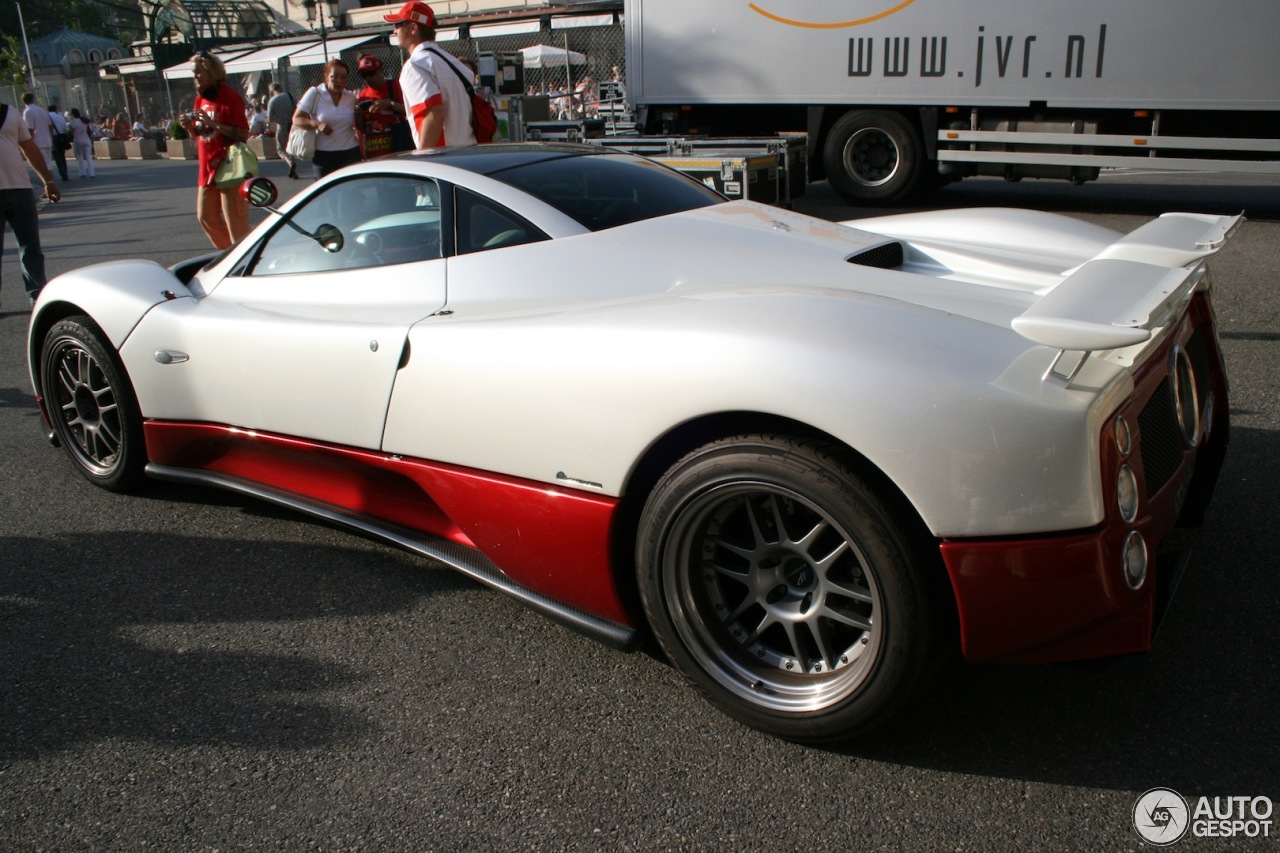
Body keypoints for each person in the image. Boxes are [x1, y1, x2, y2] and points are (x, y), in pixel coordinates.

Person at [178, 51, 250, 250]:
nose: (195, 78)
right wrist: (189, 127)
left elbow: (243, 134)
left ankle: (244, 256)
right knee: (205, 217)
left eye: (199, 73)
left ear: (212, 73)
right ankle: (231, 255)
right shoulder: (199, 99)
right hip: (207, 168)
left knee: (236, 223)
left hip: (229, 167)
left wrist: (214, 123)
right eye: (194, 73)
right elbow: (202, 136)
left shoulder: (230, 98)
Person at [384, 1, 476, 149]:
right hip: (469, 152)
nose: (395, 31)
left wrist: (423, 157)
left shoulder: (415, 65)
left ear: (413, 28)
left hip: (443, 158)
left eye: (398, 25)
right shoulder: (455, 63)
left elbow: (434, 114)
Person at [1, 100, 61, 307]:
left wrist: (48, 180)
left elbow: (29, 149)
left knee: (31, 248)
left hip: (20, 189)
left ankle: (37, 296)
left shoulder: (10, 112)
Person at [293, 59, 361, 179]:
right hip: (324, 154)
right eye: (334, 77)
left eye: (343, 77)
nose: (339, 81)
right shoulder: (315, 93)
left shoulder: (350, 97)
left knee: (352, 193)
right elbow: (296, 119)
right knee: (327, 194)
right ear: (326, 76)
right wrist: (317, 124)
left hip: (350, 153)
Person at [354, 55, 405, 159]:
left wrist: (389, 103)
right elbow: (362, 129)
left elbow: (409, 110)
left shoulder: (394, 85)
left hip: (397, 149)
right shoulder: (363, 95)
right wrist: (358, 116)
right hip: (373, 152)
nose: (368, 78)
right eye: (364, 75)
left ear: (380, 70)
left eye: (371, 73)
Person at [21, 94, 55, 194]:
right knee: (48, 164)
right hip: (47, 140)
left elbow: (30, 129)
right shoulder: (42, 110)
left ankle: (49, 186)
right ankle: (51, 184)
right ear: (33, 99)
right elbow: (50, 126)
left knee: (42, 165)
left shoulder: (27, 112)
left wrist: (28, 143)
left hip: (37, 142)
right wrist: (51, 139)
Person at [266, 83, 297, 179]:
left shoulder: (272, 101)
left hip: (282, 126)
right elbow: (298, 108)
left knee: (280, 149)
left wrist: (279, 118)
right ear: (281, 88)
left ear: (272, 91)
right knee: (292, 147)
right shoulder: (290, 95)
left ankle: (290, 162)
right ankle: (294, 170)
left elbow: (270, 118)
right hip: (293, 125)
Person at [68, 109, 95, 178]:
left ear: (73, 115)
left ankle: (82, 173)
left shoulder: (72, 122)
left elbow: (71, 132)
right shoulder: (84, 120)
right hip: (86, 139)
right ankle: (92, 173)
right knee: (89, 157)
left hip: (78, 140)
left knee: (80, 157)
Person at [48, 105, 70, 182]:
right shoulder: (60, 117)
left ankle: (63, 174)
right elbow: (66, 129)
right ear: (56, 109)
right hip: (61, 137)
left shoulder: (47, 117)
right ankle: (65, 173)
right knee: (62, 156)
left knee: (57, 157)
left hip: (52, 137)